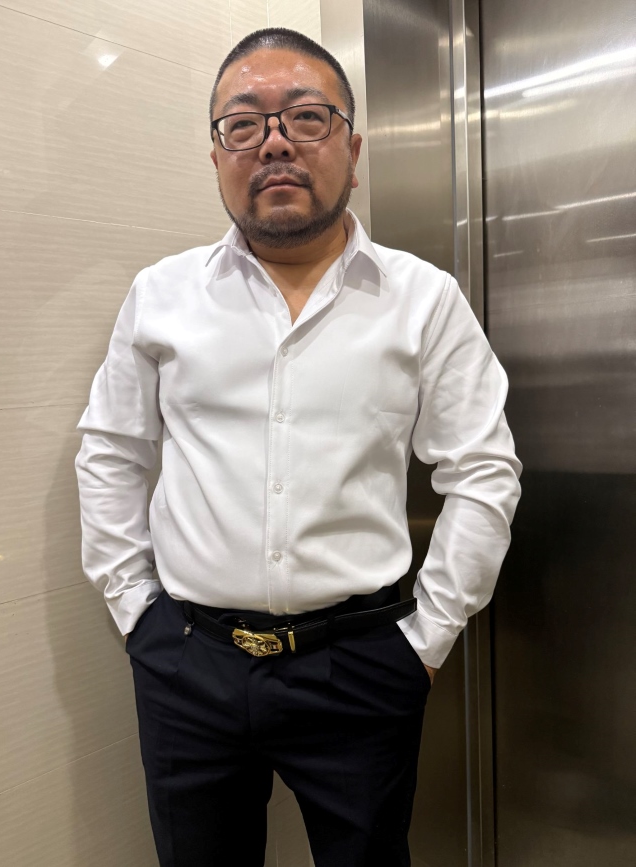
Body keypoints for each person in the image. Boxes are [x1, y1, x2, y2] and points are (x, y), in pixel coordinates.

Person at [75, 27, 521, 867]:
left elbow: (482, 471)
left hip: (361, 667)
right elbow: (111, 452)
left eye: (307, 117)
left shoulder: (424, 299)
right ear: (217, 156)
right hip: (187, 664)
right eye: (243, 123)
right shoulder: (161, 295)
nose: (274, 141)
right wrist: (136, 612)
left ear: (354, 151)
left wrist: (427, 639)